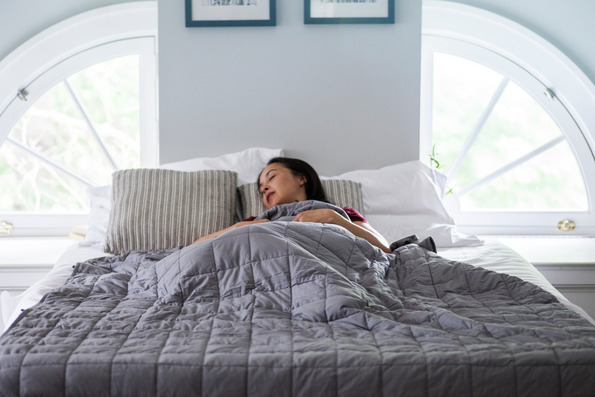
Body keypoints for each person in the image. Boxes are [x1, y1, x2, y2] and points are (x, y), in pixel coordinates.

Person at [193, 157, 391, 253]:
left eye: (271, 177)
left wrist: (334, 219)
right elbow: (194, 248)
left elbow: (385, 249)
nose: (264, 188)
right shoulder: (256, 221)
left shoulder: (342, 214)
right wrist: (237, 228)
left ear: (301, 179)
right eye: (261, 188)